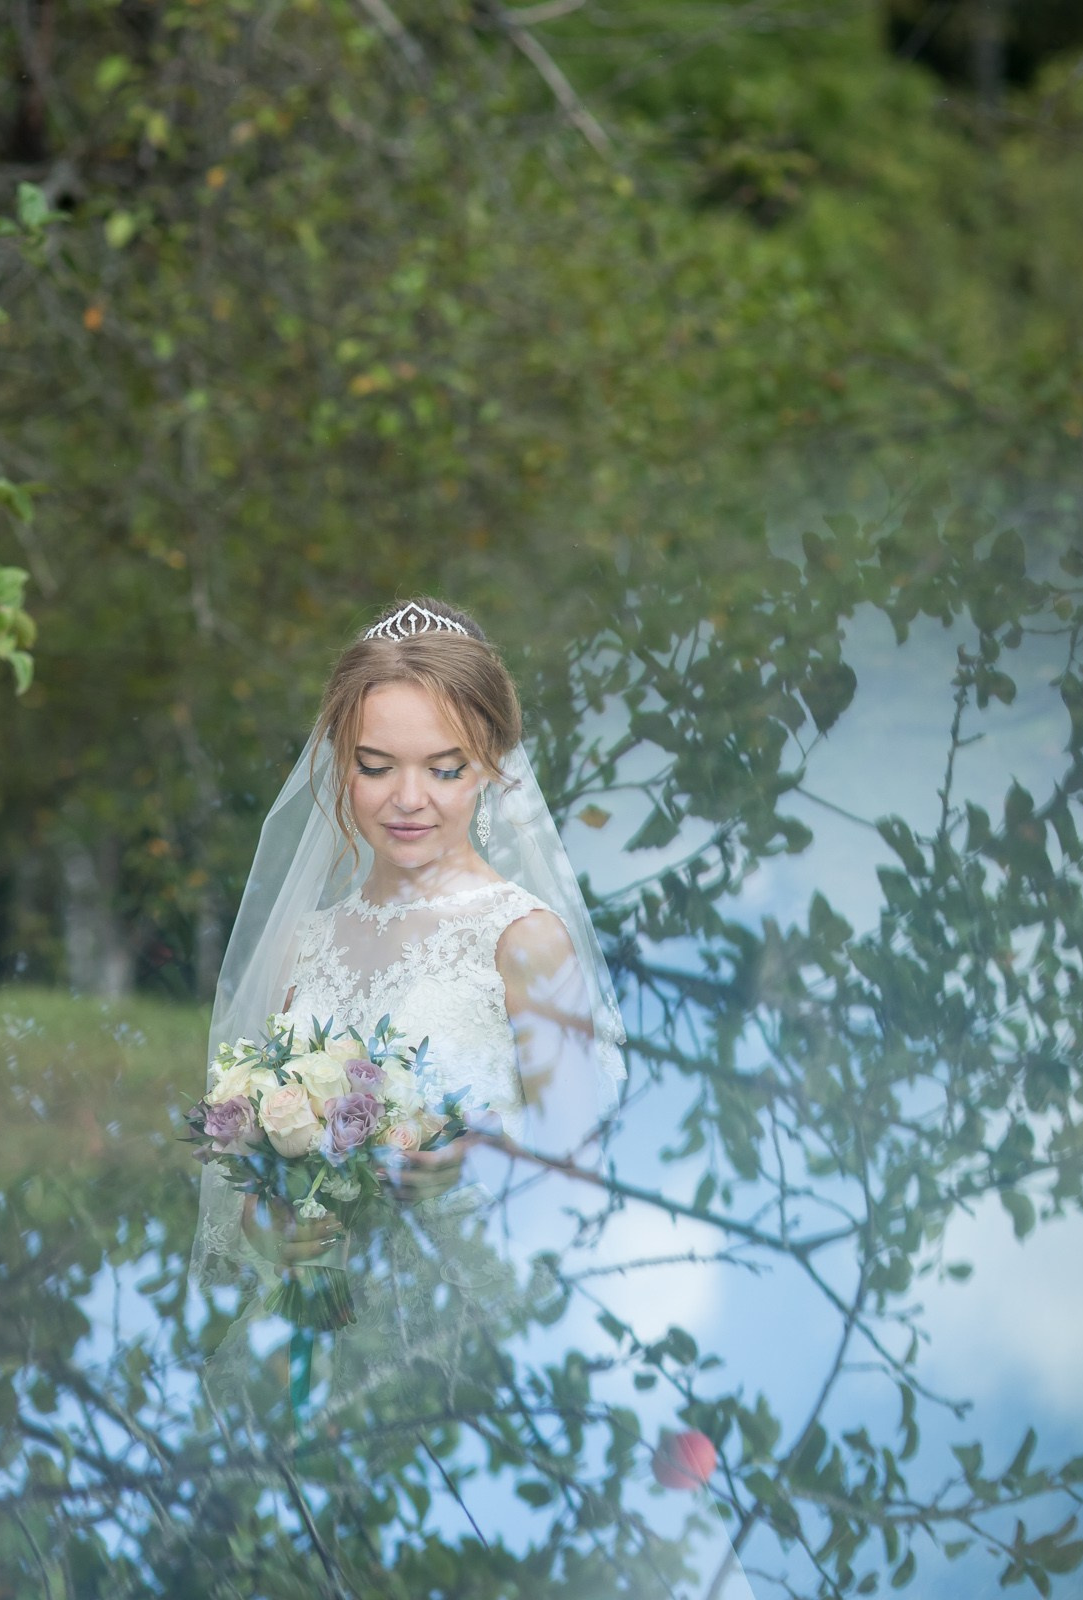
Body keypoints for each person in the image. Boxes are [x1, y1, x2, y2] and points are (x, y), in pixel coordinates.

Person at [192, 597, 757, 1599]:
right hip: (318, 1361)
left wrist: (476, 1164)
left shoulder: (524, 943)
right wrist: (282, 1221)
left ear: (491, 763)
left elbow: (586, 1183)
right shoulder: (305, 946)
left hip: (484, 1361)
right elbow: (254, 1196)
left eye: (444, 766)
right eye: (377, 764)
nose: (409, 798)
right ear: (337, 761)